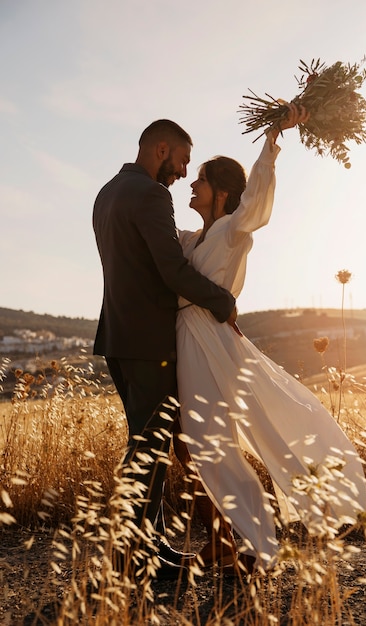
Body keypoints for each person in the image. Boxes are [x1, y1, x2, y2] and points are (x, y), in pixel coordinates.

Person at [174, 104, 366, 575]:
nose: (191, 186)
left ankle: (257, 543)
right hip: (189, 340)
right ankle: (239, 539)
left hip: (209, 342)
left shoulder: (234, 230)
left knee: (207, 441)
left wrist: (272, 140)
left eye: (199, 180)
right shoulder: (192, 239)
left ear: (220, 191)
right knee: (195, 443)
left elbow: (257, 198)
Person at [92, 119, 238, 580]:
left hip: (117, 338)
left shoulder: (107, 192)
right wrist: (223, 301)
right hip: (149, 342)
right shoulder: (152, 196)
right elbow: (172, 270)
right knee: (149, 451)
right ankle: (131, 561)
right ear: (161, 149)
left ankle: (146, 549)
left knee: (145, 443)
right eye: (181, 161)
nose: (182, 172)